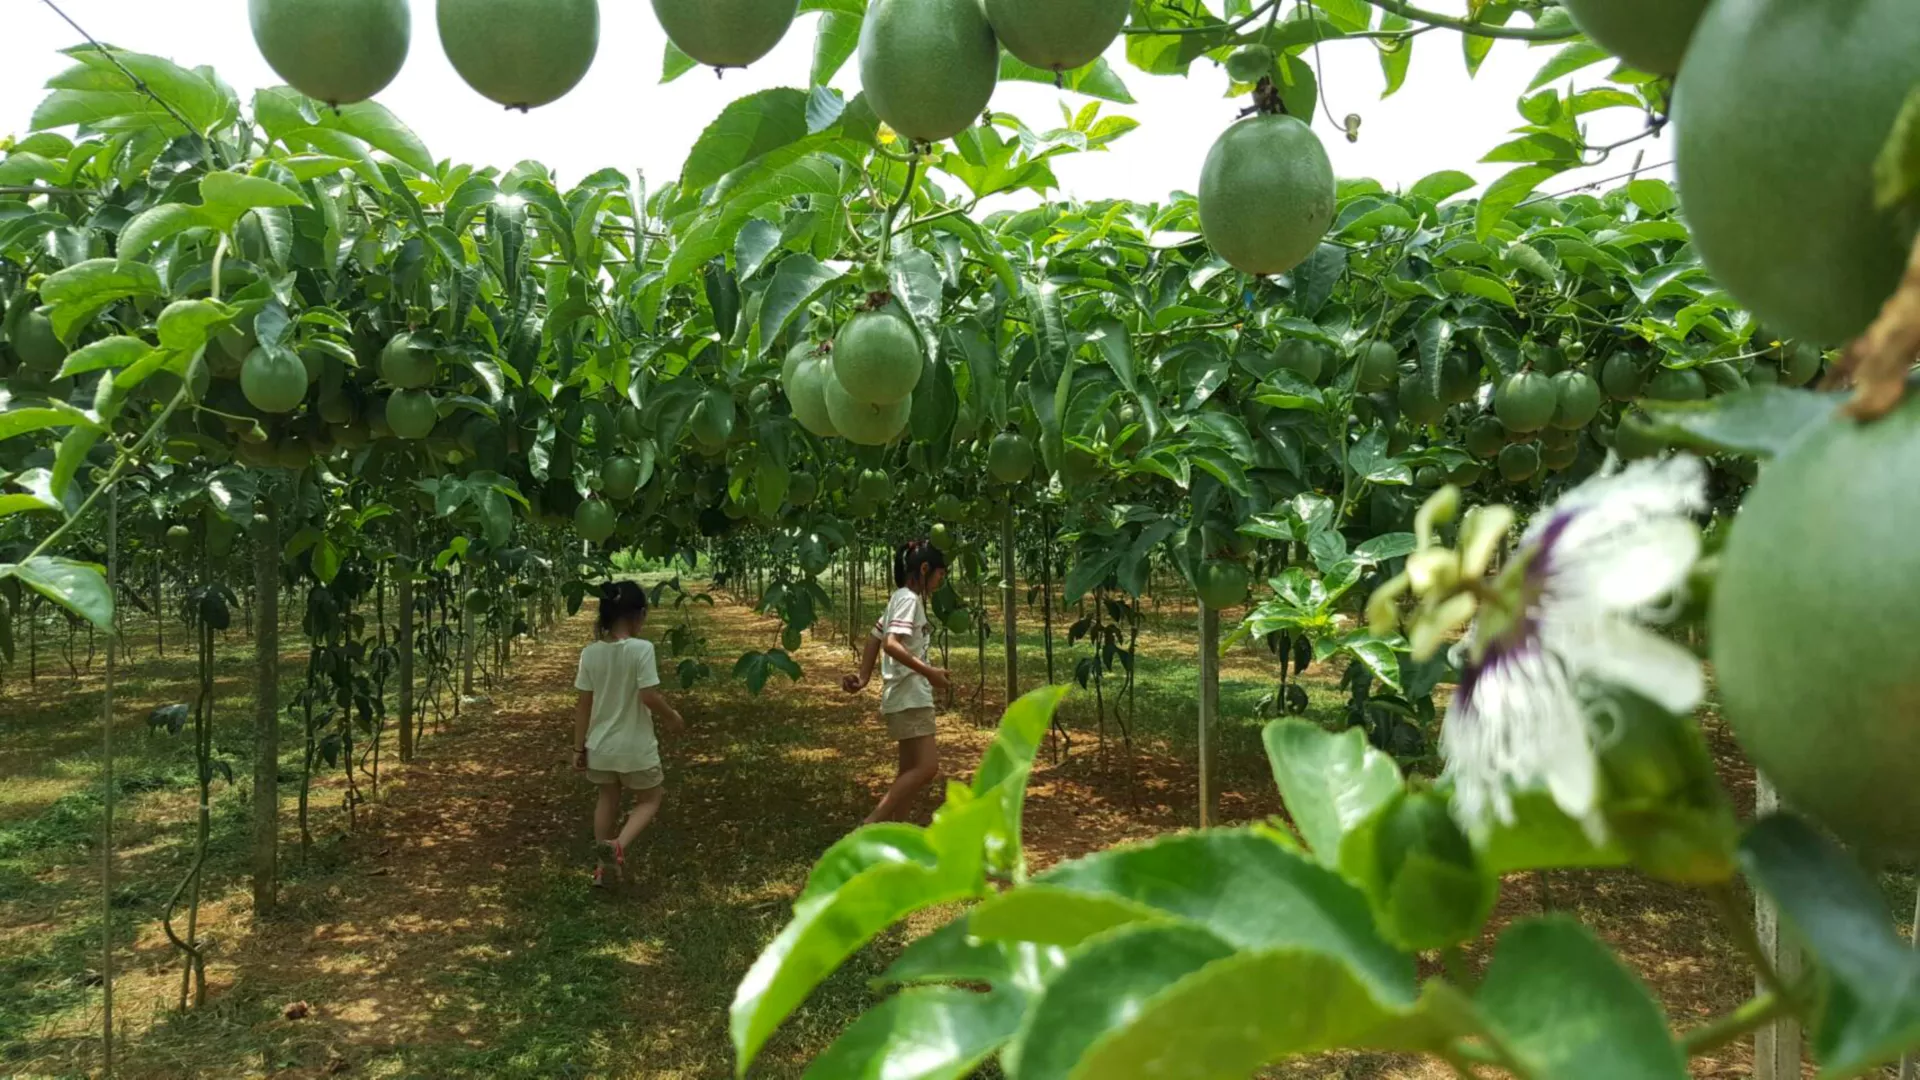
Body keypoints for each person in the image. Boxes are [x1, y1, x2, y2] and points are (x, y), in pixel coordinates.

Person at [571, 580, 684, 889]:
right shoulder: (641, 649)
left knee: (607, 796)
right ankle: (617, 845)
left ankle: (601, 866)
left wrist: (578, 748)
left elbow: (583, 705)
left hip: (601, 747)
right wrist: (672, 716)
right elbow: (648, 695)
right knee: (651, 797)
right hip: (635, 747)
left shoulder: (590, 653)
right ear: (639, 615)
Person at [843, 540, 951, 823]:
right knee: (928, 768)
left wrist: (864, 676)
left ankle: (897, 834)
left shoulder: (898, 598)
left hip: (900, 695)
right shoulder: (908, 599)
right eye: (940, 574)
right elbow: (891, 643)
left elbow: (875, 636)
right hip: (911, 693)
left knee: (908, 771)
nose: (941, 580)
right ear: (925, 568)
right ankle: (870, 824)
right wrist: (929, 673)